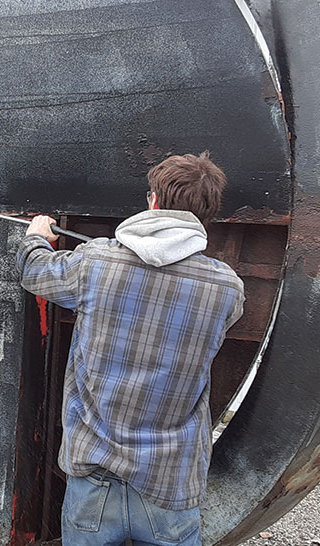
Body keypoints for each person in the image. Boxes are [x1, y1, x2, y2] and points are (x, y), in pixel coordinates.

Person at [16, 153, 245, 546]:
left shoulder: (97, 261)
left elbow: (33, 271)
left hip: (95, 479)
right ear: (208, 215)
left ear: (153, 201)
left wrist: (37, 236)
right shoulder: (227, 288)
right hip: (170, 484)